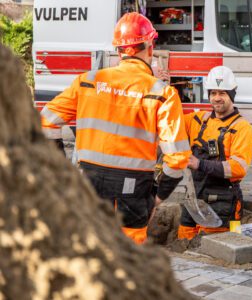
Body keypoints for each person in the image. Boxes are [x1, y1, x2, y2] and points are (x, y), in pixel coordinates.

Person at [40, 13, 191, 244]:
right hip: (133, 189)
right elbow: (178, 157)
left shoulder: (88, 81)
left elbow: (46, 120)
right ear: (150, 47)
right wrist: (158, 196)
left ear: (119, 50)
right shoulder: (163, 93)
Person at [177, 66, 252, 240]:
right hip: (194, 197)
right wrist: (163, 84)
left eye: (222, 93)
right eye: (213, 93)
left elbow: (238, 168)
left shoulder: (242, 128)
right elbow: (170, 117)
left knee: (217, 247)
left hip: (223, 201)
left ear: (232, 95)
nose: (217, 98)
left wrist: (199, 164)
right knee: (183, 241)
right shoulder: (198, 120)